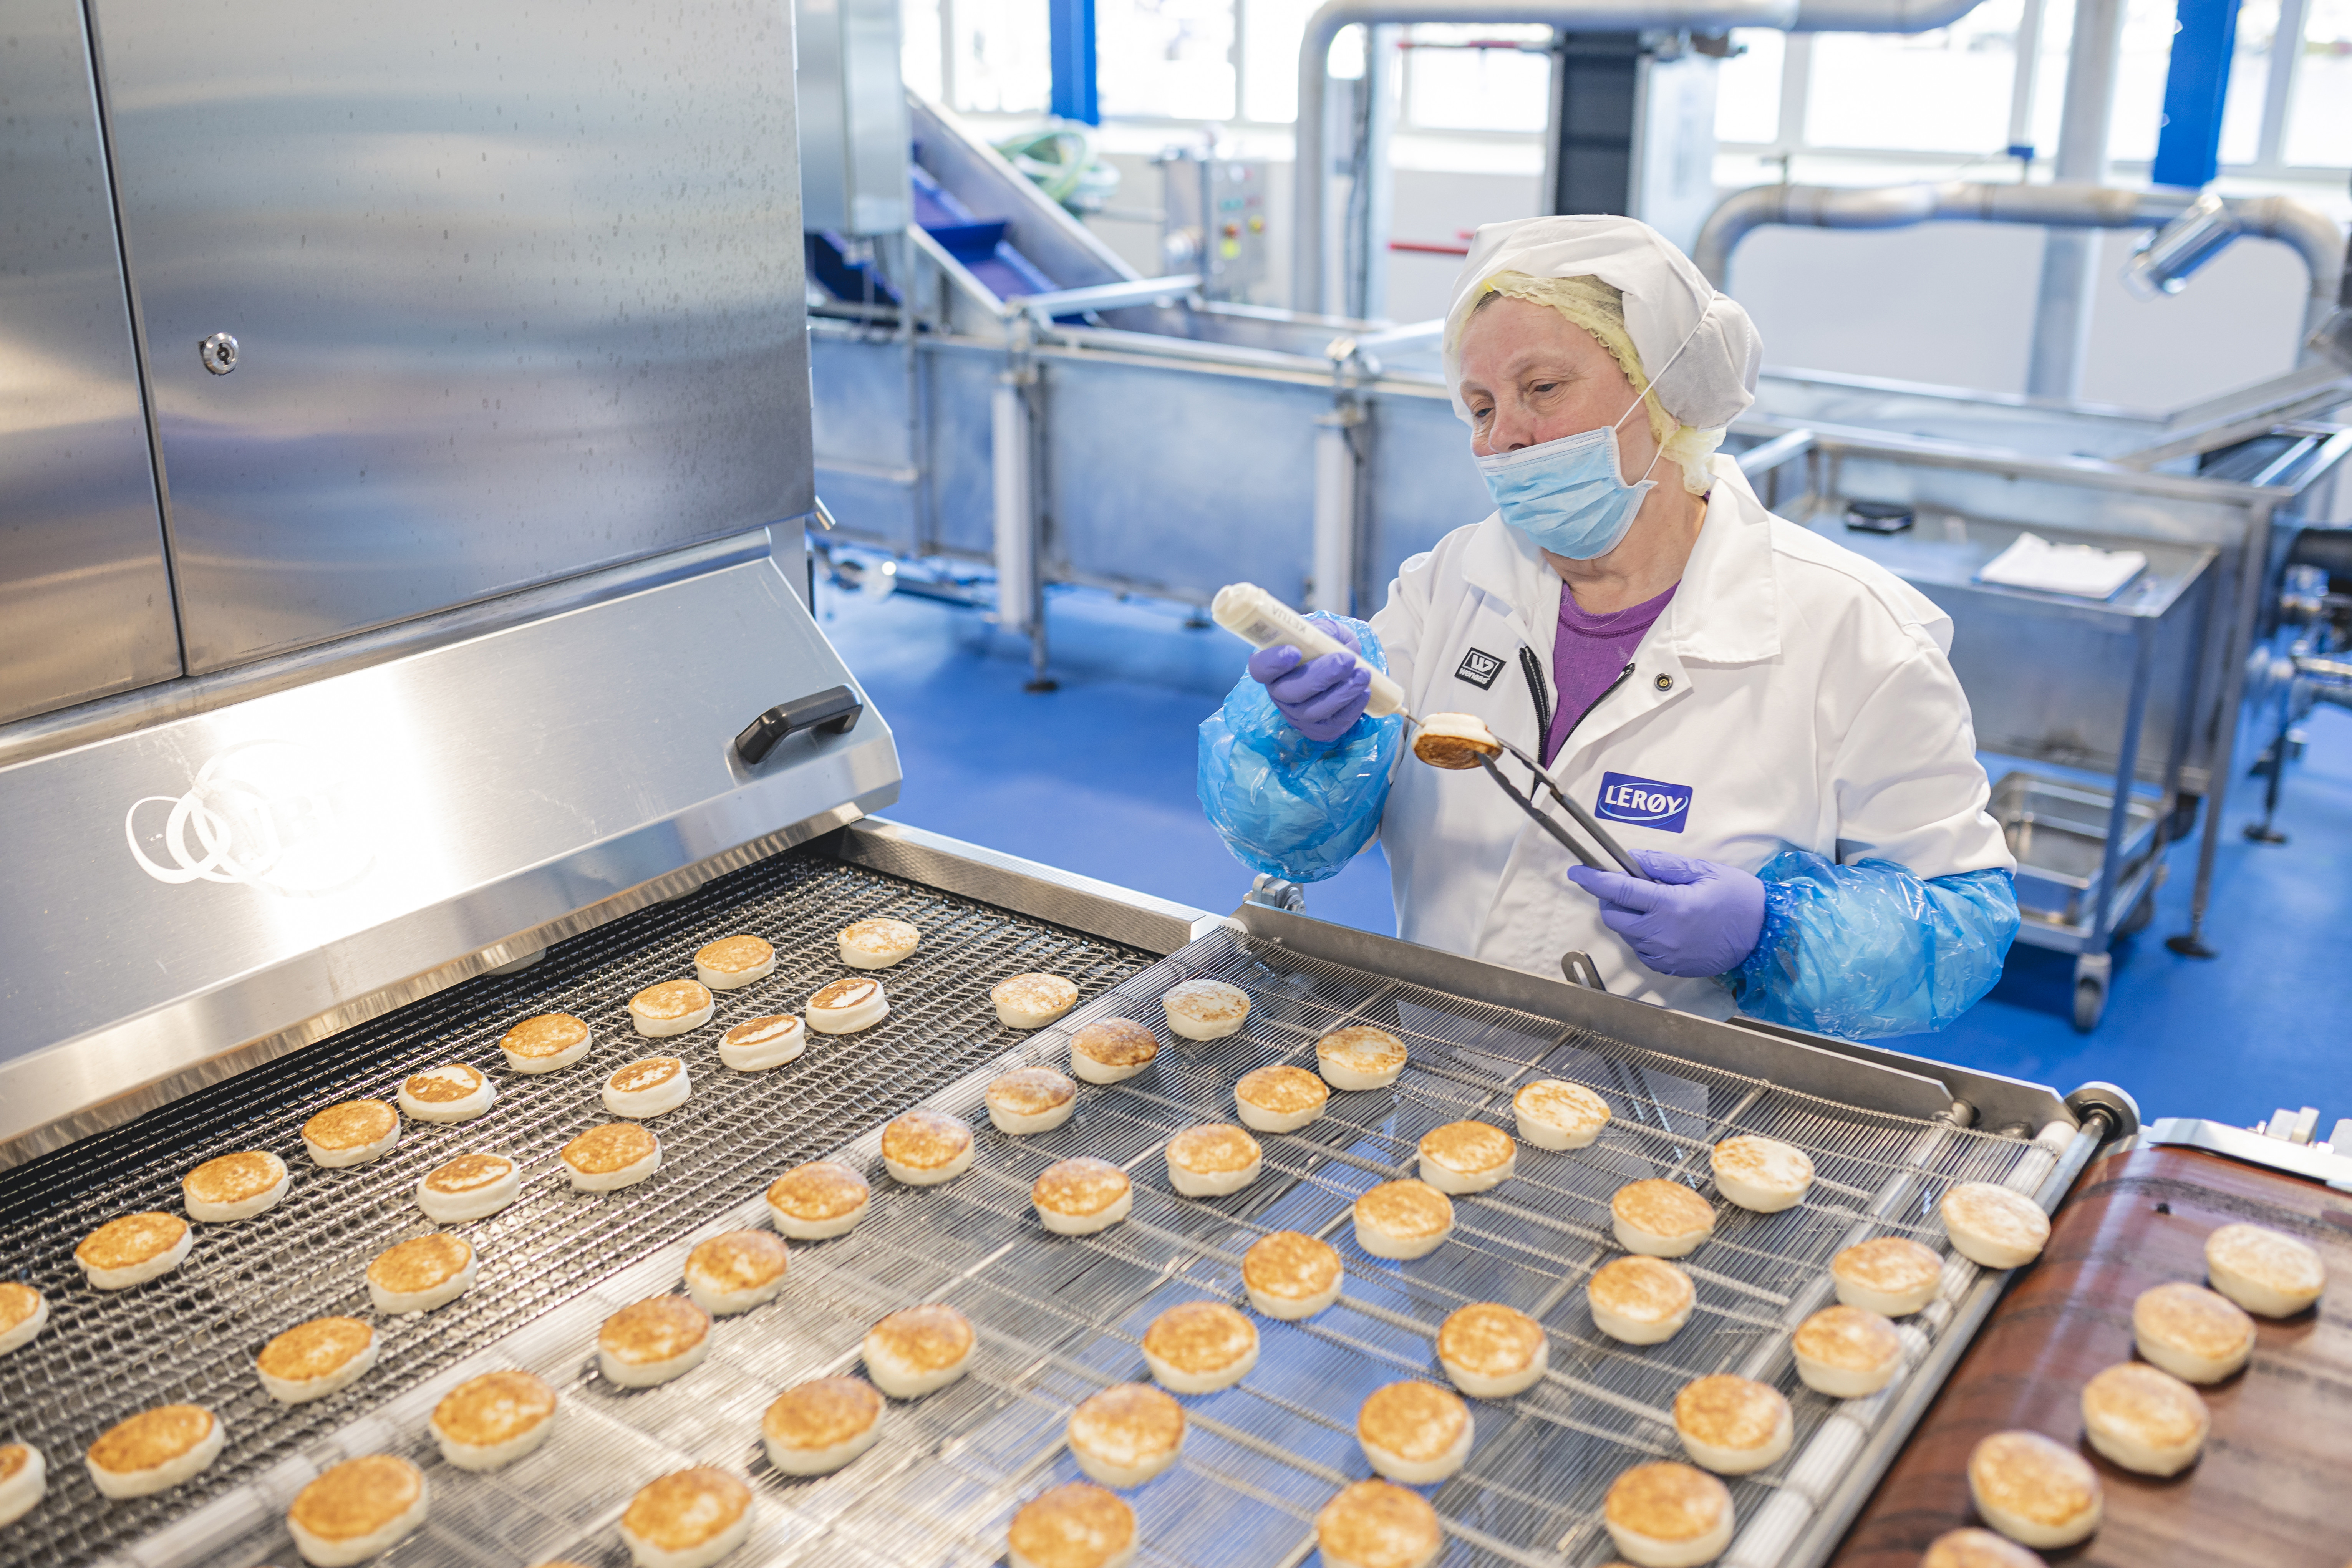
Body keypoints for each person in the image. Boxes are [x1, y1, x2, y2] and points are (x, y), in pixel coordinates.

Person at [1197, 215, 2018, 1040]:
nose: (1502, 435)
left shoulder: (1853, 633)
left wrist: (1772, 928)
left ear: (1663, 392)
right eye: (1479, 407)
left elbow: (1960, 924)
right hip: (1441, 1084)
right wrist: (1309, 742)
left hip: (1685, 1127)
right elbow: (1289, 843)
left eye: (1541, 389)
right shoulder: (1451, 583)